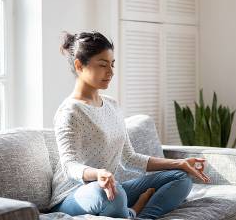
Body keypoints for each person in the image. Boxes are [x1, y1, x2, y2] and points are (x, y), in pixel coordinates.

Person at [48, 31, 211, 219]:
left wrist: (180, 163)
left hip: (111, 189)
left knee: (181, 178)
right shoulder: (70, 112)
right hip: (73, 196)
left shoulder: (112, 105)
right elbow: (69, 165)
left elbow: (129, 158)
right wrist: (97, 174)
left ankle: (140, 216)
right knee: (112, 194)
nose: (110, 72)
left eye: (112, 64)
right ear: (79, 65)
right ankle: (132, 212)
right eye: (102, 65)